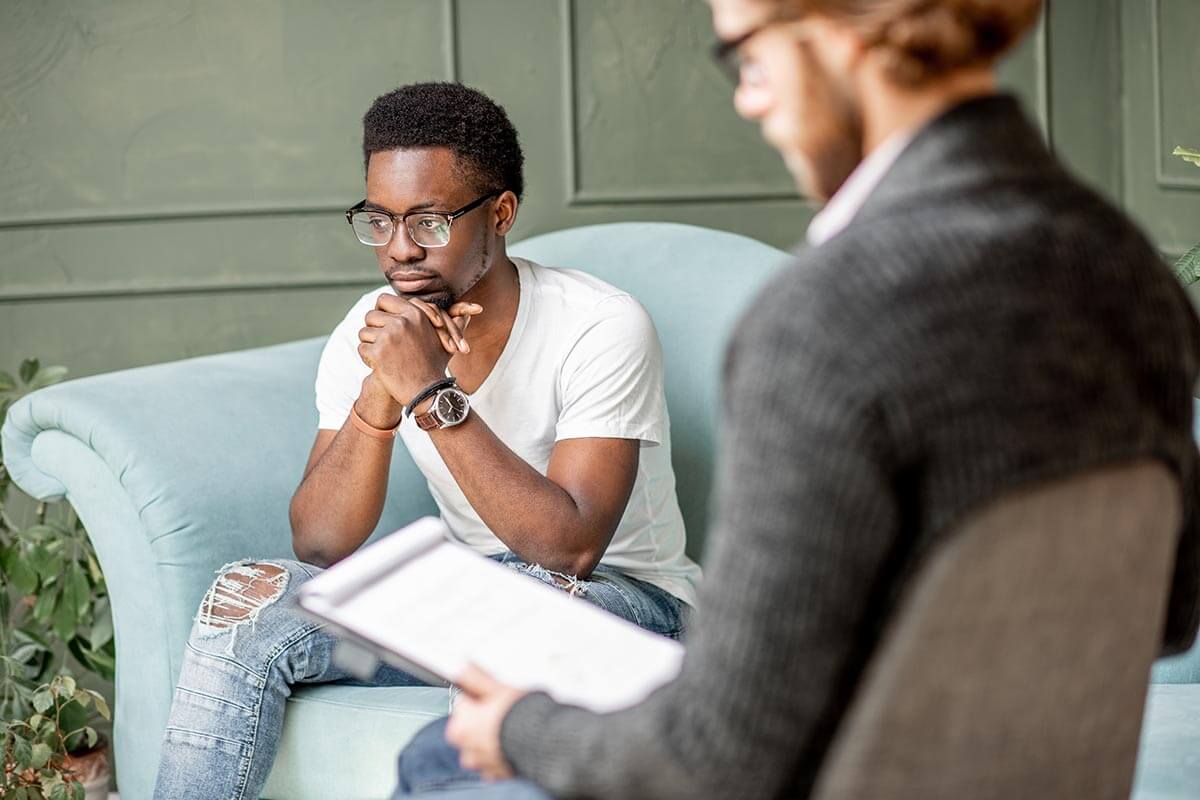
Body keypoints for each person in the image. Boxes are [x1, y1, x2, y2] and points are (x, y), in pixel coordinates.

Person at [393, 0, 1200, 798]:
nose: (749, 98)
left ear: (842, 34)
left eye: (747, 54)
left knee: (443, 758)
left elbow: (718, 757)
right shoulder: (1132, 273)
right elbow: (1166, 612)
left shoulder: (827, 311)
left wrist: (519, 726)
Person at [152, 82, 700, 800]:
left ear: (500, 213)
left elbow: (570, 547)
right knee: (245, 599)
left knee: (516, 600)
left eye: (430, 223)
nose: (399, 250)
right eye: (378, 221)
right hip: (472, 604)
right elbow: (321, 543)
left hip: (629, 607)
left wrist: (429, 394)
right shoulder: (369, 329)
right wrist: (379, 391)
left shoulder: (600, 324)